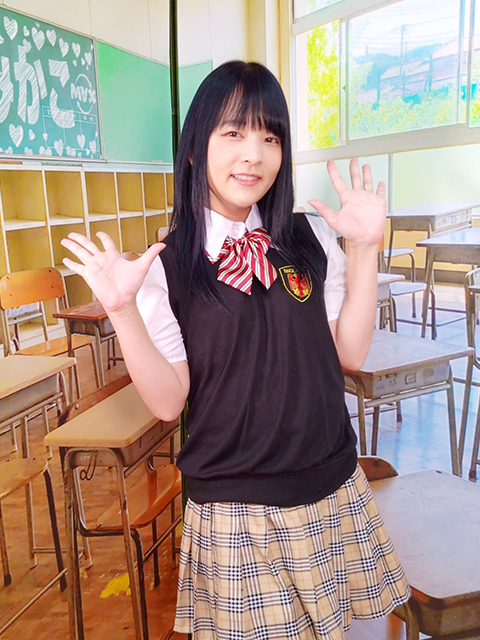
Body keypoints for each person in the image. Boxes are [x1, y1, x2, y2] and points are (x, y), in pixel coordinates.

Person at [61, 60, 410, 640]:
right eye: (233, 133)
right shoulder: (165, 266)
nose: (253, 155)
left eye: (270, 138)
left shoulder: (310, 239)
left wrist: (365, 249)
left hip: (326, 480)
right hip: (237, 504)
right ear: (196, 146)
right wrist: (122, 311)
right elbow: (168, 402)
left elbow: (348, 352)